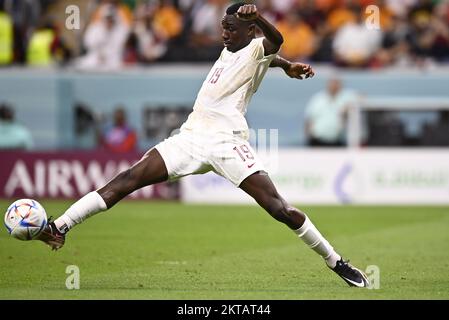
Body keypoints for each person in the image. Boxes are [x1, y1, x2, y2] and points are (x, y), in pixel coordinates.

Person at [38, 3, 369, 288]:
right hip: (190, 137)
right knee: (128, 179)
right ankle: (61, 226)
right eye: (223, 27)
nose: (224, 34)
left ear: (249, 28)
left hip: (227, 143)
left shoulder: (257, 45)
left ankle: (336, 261)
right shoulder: (232, 49)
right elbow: (268, 55)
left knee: (279, 208)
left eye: (231, 28)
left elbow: (274, 42)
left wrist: (265, 26)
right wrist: (286, 66)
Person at [305, 77, 358, 147]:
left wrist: (349, 108)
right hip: (317, 140)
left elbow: (362, 99)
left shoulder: (347, 98)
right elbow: (309, 120)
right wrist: (308, 138)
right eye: (332, 83)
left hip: (337, 141)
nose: (334, 86)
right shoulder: (318, 99)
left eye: (336, 83)